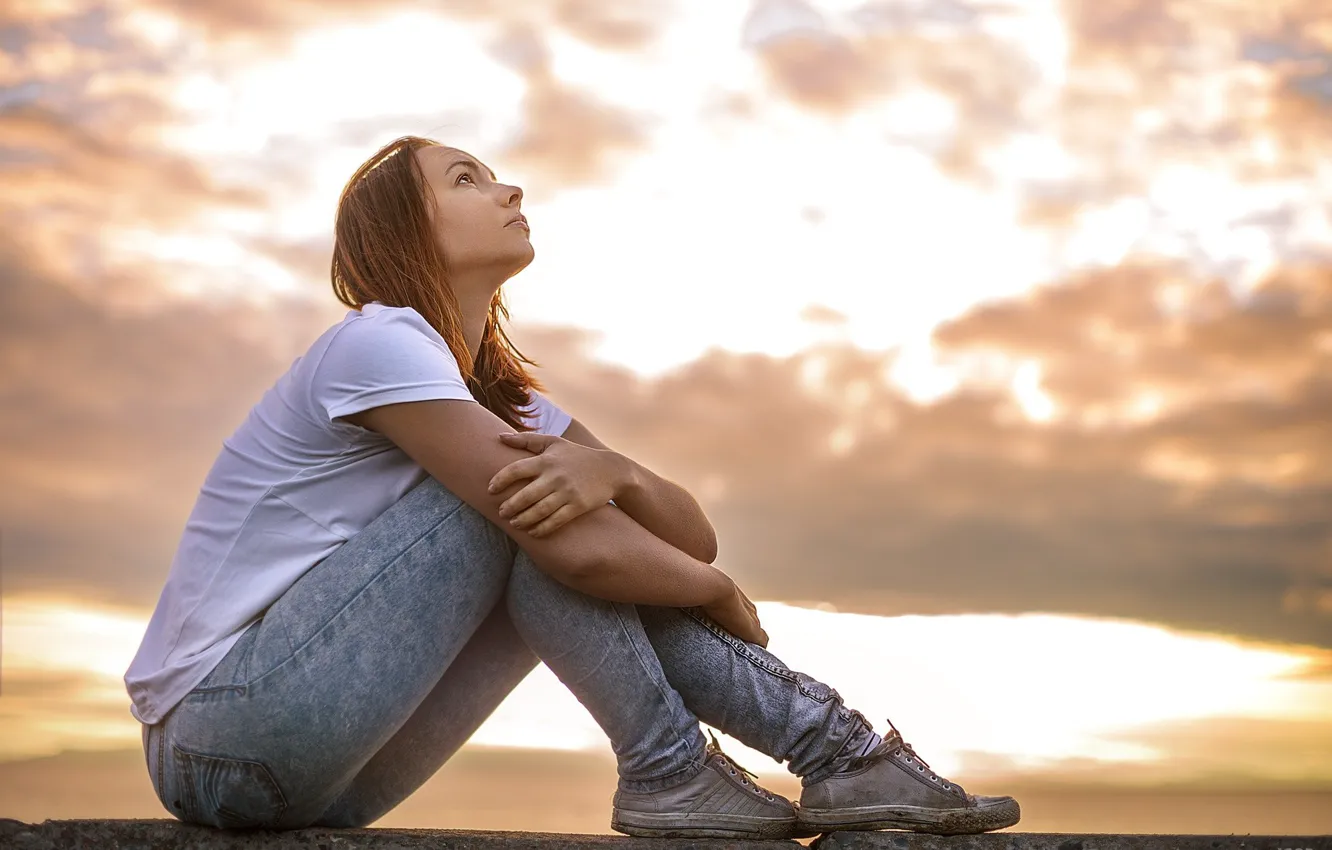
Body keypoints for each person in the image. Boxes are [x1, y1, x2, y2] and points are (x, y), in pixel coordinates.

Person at [123, 135, 1020, 840]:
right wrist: (714, 592)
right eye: (467, 180)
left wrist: (617, 471)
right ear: (403, 227)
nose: (509, 191)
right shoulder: (377, 341)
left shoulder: (503, 400)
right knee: (522, 516)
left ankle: (774, 763)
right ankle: (803, 754)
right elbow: (614, 554)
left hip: (336, 773)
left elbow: (688, 539)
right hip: (221, 737)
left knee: (547, 509)